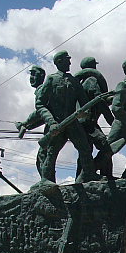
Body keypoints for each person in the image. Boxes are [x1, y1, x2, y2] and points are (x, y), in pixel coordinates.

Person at [34, 50, 99, 183]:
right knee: (51, 153)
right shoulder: (51, 79)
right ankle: (46, 181)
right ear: (59, 62)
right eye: (66, 60)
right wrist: (51, 122)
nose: (69, 62)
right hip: (56, 123)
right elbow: (40, 104)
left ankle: (89, 175)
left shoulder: (74, 81)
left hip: (72, 123)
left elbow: (84, 103)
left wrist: (84, 112)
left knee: (85, 148)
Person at [74, 56, 114, 179]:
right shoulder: (91, 80)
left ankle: (79, 179)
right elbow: (99, 100)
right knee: (106, 148)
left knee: (85, 152)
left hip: (80, 124)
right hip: (88, 124)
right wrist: (111, 120)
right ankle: (101, 175)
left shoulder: (79, 84)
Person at [15, 65, 46, 141]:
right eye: (30, 75)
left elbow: (40, 112)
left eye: (34, 74)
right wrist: (28, 126)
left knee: (43, 152)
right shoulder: (41, 90)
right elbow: (43, 118)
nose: (31, 78)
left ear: (41, 76)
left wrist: (25, 123)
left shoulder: (42, 91)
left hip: (56, 126)